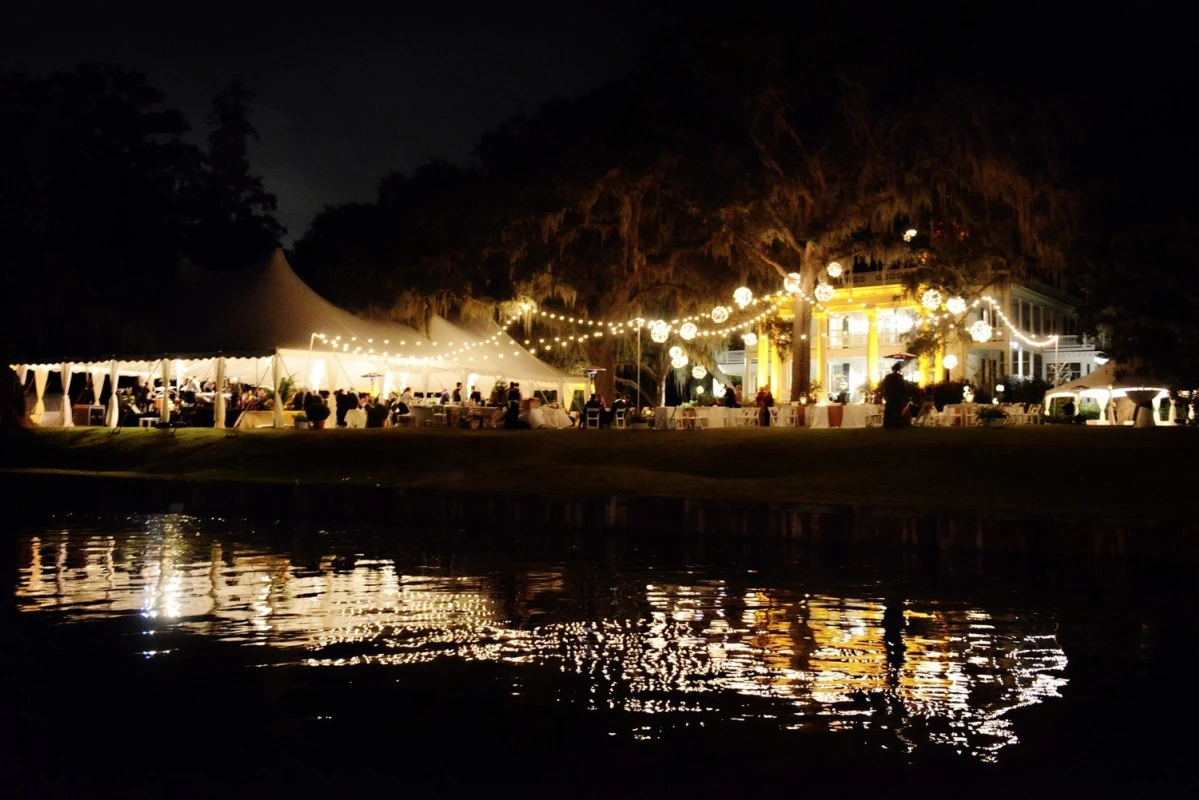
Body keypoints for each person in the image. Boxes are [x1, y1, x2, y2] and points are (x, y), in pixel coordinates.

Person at [881, 361, 908, 428]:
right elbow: (903, 387)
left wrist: (885, 394)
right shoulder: (900, 377)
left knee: (889, 411)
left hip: (890, 396)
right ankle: (898, 423)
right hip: (898, 396)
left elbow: (885, 386)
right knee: (898, 410)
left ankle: (888, 424)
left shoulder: (888, 377)